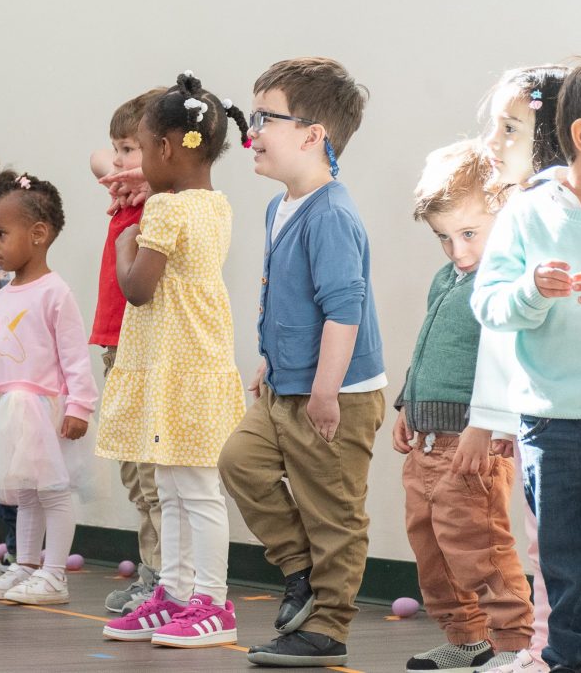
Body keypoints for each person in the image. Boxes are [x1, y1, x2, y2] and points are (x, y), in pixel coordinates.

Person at [218, 57, 385, 667]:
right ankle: (301, 570)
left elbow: (344, 311)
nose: (251, 130)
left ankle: (328, 626)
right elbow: (288, 298)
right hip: (286, 382)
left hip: (332, 394)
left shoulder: (332, 213)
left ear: (313, 134)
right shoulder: (279, 207)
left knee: (332, 510)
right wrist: (270, 359)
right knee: (240, 461)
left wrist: (324, 391)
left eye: (266, 118)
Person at [98, 71, 250, 648]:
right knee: (178, 485)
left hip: (174, 366)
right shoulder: (217, 205)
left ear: (165, 148)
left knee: (190, 489)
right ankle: (179, 595)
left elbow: (137, 289)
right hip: (196, 362)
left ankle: (211, 601)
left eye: (141, 147)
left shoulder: (163, 212)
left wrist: (123, 245)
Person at [471, 59, 581, 673]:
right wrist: (530, 290)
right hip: (552, 427)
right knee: (566, 568)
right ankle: (571, 661)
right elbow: (489, 303)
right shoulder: (528, 212)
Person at [393, 140, 532, 673]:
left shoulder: (504, 284)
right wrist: (410, 404)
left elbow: (506, 360)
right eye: (443, 238)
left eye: (469, 233)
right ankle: (466, 636)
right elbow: (429, 345)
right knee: (432, 547)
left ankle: (514, 643)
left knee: (480, 546)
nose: (457, 250)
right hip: (427, 442)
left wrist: (485, 424)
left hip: (471, 443)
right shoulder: (447, 279)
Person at [0, 171, 99, 606]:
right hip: (8, 407)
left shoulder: (55, 292)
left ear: (38, 234)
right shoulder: (2, 295)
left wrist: (80, 406)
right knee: (24, 495)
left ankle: (54, 574)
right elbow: (2, 349)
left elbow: (75, 357)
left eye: (0, 234)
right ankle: (25, 565)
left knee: (52, 494)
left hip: (44, 409)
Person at [89, 87, 167, 615]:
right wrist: (129, 170)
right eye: (117, 148)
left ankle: (162, 576)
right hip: (116, 350)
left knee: (153, 474)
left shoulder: (163, 204)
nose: (117, 162)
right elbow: (96, 160)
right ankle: (152, 570)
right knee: (133, 474)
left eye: (129, 149)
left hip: (144, 353)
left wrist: (149, 178)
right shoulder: (128, 190)